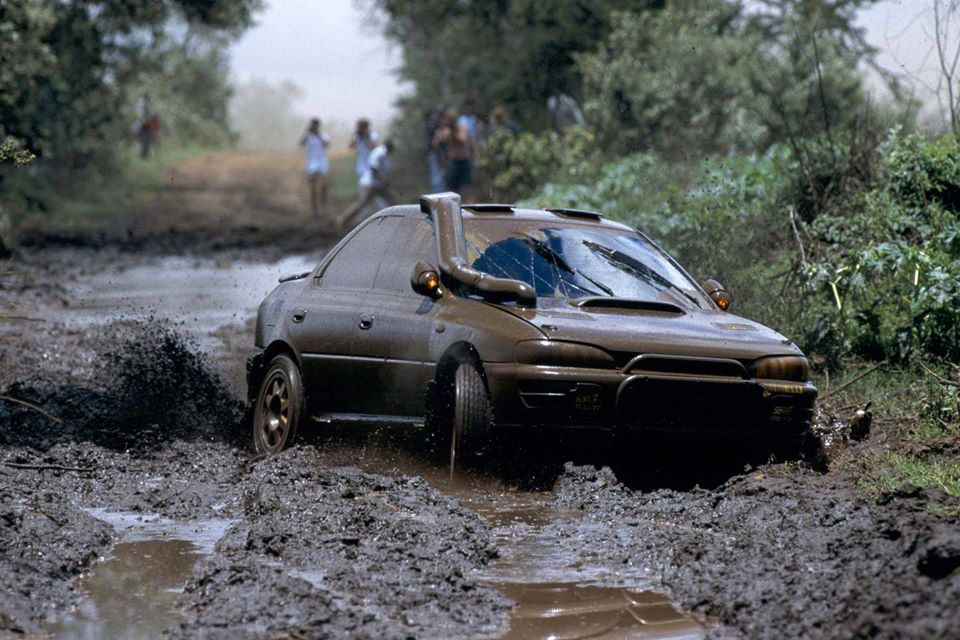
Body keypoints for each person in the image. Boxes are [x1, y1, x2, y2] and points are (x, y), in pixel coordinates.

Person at [337, 139, 395, 230]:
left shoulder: (384, 153)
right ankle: (343, 220)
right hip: (371, 184)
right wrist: (383, 180)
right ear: (389, 146)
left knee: (390, 201)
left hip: (378, 185)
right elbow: (373, 168)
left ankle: (394, 221)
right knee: (362, 204)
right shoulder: (380, 153)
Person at [433, 110, 474, 202]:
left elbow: (462, 140)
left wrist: (453, 132)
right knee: (454, 190)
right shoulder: (446, 131)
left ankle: (470, 208)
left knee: (467, 188)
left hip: (464, 161)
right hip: (453, 163)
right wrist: (441, 132)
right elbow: (436, 143)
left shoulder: (461, 128)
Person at [300, 118, 331, 215]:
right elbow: (301, 143)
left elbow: (326, 144)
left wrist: (317, 134)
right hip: (311, 164)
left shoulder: (323, 135)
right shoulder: (308, 136)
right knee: (313, 188)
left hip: (322, 163)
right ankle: (315, 209)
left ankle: (323, 204)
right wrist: (306, 132)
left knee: (323, 185)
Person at [349, 118, 380, 193]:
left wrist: (366, 136)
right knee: (361, 188)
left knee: (376, 186)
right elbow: (351, 146)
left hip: (372, 165)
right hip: (361, 166)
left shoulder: (373, 135)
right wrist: (356, 137)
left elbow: (372, 147)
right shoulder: (357, 136)